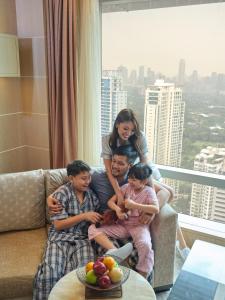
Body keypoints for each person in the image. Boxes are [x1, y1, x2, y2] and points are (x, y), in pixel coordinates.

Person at [33, 160, 132, 300]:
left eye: (89, 178)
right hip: (60, 239)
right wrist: (84, 216)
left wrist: (106, 218)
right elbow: (58, 225)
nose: (87, 181)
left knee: (84, 274)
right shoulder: (62, 194)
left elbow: (96, 217)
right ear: (71, 178)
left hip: (83, 240)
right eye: (83, 178)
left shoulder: (91, 195)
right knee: (50, 273)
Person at [101, 108, 190, 259]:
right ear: (117, 125)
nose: (128, 132)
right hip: (131, 173)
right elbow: (109, 170)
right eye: (125, 128)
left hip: (143, 173)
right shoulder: (107, 139)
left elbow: (144, 164)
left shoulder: (139, 137)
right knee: (167, 193)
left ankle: (180, 244)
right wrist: (118, 192)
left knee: (170, 193)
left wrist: (148, 201)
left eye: (132, 129)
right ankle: (183, 246)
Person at [88, 162, 159, 278]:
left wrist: (135, 205)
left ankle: (143, 276)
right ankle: (115, 251)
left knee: (145, 245)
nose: (130, 181)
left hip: (138, 226)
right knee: (92, 229)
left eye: (134, 180)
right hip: (122, 225)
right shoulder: (126, 187)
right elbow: (110, 202)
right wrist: (117, 210)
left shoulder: (149, 191)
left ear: (144, 181)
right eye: (130, 178)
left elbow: (155, 209)